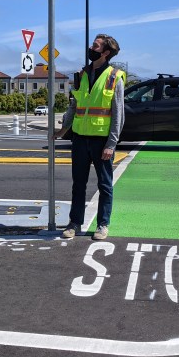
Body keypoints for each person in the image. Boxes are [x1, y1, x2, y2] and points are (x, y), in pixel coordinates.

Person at [54, 34, 125, 240]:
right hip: (79, 138)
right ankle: (74, 223)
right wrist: (62, 131)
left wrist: (111, 143)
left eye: (95, 46)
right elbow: (74, 106)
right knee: (78, 184)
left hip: (101, 140)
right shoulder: (82, 74)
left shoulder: (114, 77)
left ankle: (103, 224)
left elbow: (118, 114)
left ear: (105, 52)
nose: (90, 48)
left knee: (104, 184)